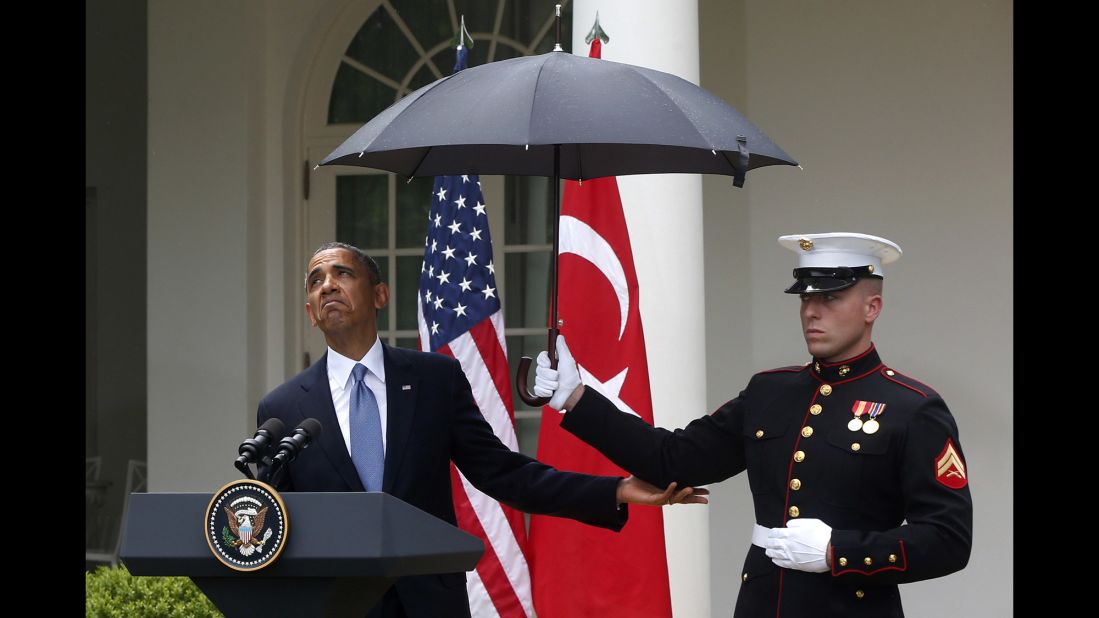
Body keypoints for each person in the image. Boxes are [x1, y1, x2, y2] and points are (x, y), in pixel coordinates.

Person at [256, 241, 707, 618]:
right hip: (334, 606)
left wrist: (618, 490)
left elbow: (504, 474)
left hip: (429, 603)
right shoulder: (281, 409)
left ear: (379, 295)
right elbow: (277, 525)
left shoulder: (435, 380)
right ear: (311, 313)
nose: (327, 285)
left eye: (341, 274)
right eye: (316, 281)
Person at [534, 232, 972, 617]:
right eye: (805, 298)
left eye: (830, 297)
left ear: (872, 307)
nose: (811, 312)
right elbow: (672, 459)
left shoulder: (911, 408)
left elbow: (948, 539)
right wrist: (576, 399)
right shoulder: (770, 392)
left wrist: (839, 551)